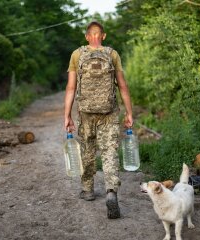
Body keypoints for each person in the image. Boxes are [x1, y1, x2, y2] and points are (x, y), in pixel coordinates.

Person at [64, 21, 133, 219]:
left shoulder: (77, 55)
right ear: (103, 36)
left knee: (87, 150)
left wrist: (67, 115)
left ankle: (87, 190)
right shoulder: (112, 54)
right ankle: (111, 191)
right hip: (109, 112)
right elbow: (122, 86)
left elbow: (70, 88)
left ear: (87, 37)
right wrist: (129, 113)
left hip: (86, 113)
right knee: (109, 152)